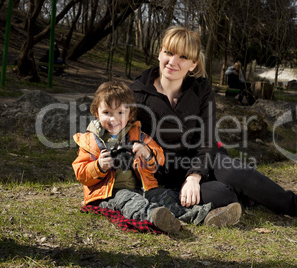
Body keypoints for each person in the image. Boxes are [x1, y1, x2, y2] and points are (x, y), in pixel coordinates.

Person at [130, 26, 297, 223]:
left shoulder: (201, 90)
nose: (172, 61)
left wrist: (194, 175)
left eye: (183, 57)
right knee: (222, 195)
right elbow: (119, 134)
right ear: (159, 53)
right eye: (168, 53)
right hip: (170, 171)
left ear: (193, 64)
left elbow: (207, 138)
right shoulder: (138, 93)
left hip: (205, 156)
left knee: (233, 172)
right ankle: (246, 195)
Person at [72, 81, 242, 234]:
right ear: (96, 113)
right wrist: (99, 166)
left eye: (120, 113)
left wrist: (146, 153)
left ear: (130, 114)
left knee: (165, 196)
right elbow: (80, 173)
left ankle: (207, 215)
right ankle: (157, 218)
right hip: (108, 193)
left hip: (142, 187)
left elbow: (159, 159)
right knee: (132, 202)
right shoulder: (89, 141)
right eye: (107, 112)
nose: (113, 118)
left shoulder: (138, 135)